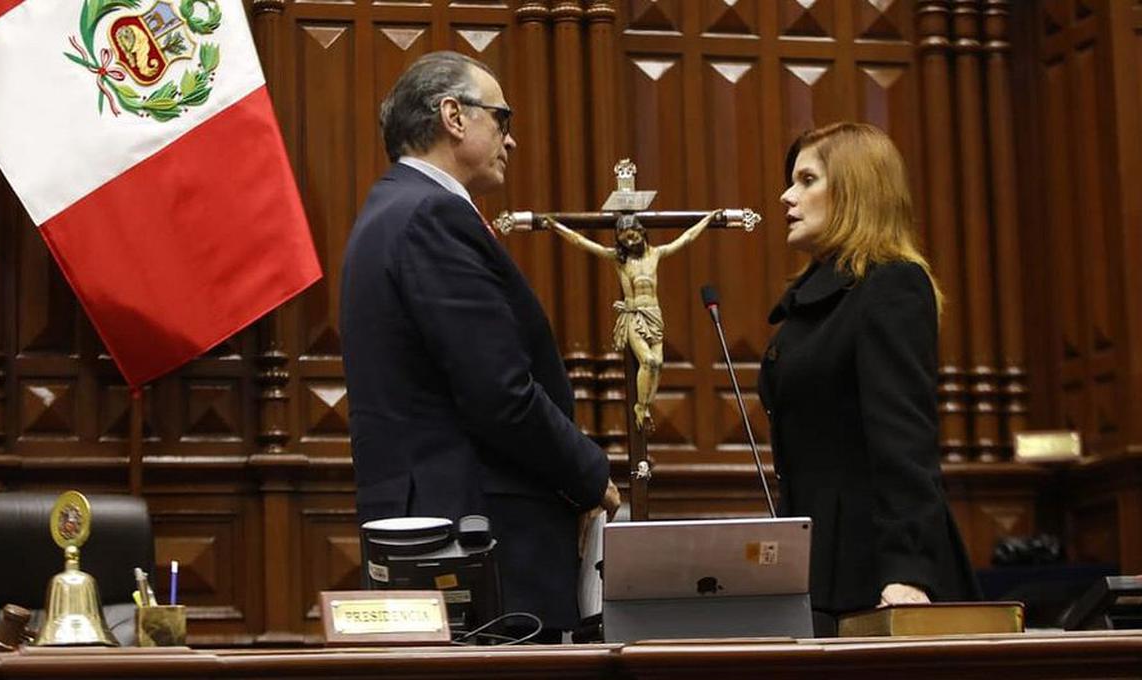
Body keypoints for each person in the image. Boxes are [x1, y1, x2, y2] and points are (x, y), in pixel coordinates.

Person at [340, 51, 619, 642]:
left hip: (427, 523)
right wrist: (590, 472)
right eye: (502, 118)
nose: (511, 140)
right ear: (454, 116)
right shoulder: (431, 215)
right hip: (474, 531)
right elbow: (500, 393)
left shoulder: (390, 209)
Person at [758, 122, 979, 626]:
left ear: (855, 190)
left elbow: (905, 442)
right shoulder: (814, 302)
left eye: (807, 180)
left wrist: (908, 574)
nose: (786, 196)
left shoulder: (892, 286)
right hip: (820, 563)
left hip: (877, 571)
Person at [542, 210, 720, 431]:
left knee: (659, 364)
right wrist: (555, 226)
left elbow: (687, 237)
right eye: (624, 236)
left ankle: (646, 404)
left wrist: (708, 219)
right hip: (634, 316)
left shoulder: (655, 254)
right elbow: (582, 242)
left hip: (654, 315)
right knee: (648, 361)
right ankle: (641, 408)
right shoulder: (620, 260)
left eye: (632, 233)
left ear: (642, 232)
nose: (629, 239)